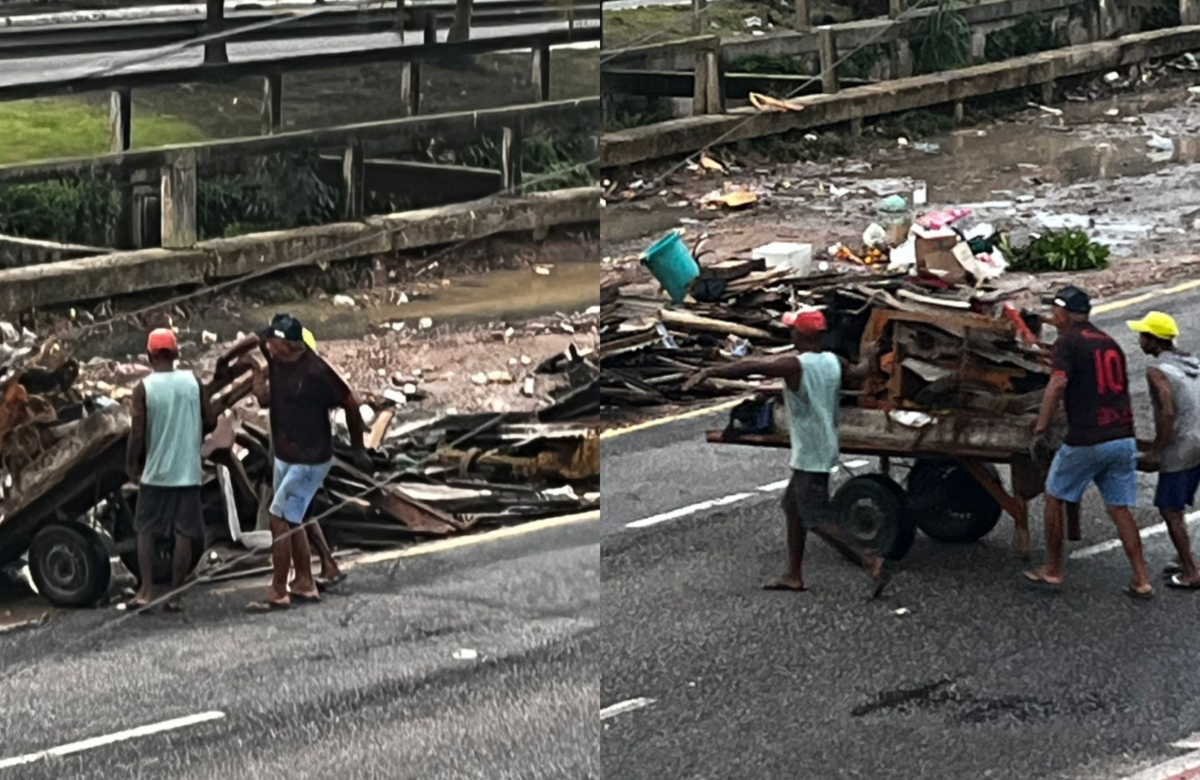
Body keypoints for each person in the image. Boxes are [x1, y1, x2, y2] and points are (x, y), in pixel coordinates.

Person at [683, 308, 888, 595]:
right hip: (822, 443)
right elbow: (860, 371)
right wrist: (869, 353)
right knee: (792, 508)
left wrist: (710, 371)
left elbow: (753, 366)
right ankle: (794, 574)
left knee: (815, 516)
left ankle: (870, 561)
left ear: (800, 335)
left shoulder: (795, 365)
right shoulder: (833, 361)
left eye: (792, 329)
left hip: (811, 452)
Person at [217, 315, 369, 611]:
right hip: (285, 454)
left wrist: (358, 447)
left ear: (288, 345)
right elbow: (253, 339)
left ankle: (278, 590)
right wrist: (225, 359)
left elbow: (350, 402)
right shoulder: (275, 355)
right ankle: (304, 581)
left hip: (310, 459)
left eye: (274, 342)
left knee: (279, 517)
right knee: (295, 518)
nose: (268, 346)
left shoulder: (315, 371)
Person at [1024, 286, 1152, 599]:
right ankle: (1141, 578)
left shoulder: (1068, 342)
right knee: (1119, 508)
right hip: (1121, 435)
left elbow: (1057, 383)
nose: (1053, 317)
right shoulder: (1109, 342)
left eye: (1055, 311)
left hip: (1087, 437)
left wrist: (1041, 426)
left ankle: (1052, 569)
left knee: (1054, 495)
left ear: (1063, 313)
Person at [126, 328, 217, 612]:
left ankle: (146, 590)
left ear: (149, 356)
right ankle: (176, 594)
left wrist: (131, 464)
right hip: (188, 474)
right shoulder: (193, 382)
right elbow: (210, 420)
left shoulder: (144, 388)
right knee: (184, 533)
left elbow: (138, 433)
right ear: (176, 354)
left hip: (155, 474)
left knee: (145, 530)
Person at [1128, 311, 1200, 589]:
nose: (1139, 340)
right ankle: (1182, 560)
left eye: (1143, 336)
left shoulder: (1157, 371)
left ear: (1154, 341)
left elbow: (1167, 412)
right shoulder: (1191, 362)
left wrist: (1157, 450)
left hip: (1183, 444)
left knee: (1169, 508)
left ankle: (1192, 571)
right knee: (1179, 504)